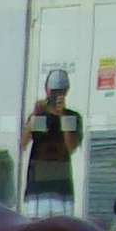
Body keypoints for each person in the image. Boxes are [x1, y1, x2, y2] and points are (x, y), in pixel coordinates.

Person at [23, 67, 83, 216]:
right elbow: (22, 144)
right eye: (53, 91)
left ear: (66, 91)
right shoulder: (40, 117)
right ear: (46, 90)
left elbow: (71, 147)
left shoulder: (72, 117)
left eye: (60, 91)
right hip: (37, 187)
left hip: (61, 188)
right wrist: (34, 117)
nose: (56, 95)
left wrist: (62, 114)